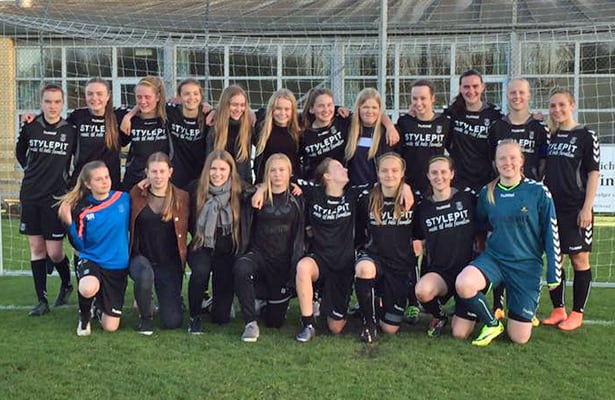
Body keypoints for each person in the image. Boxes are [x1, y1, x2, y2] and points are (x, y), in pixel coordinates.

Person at [455, 140, 561, 346]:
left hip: (525, 266)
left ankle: (520, 311)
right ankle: (492, 323)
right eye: (502, 158)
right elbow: (479, 225)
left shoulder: (538, 192)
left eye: (513, 157)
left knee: (519, 338)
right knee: (464, 283)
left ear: (521, 161)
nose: (507, 162)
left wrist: (553, 274)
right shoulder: (487, 192)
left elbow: (551, 232)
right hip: (494, 260)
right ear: (495, 163)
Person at [488, 78, 549, 319]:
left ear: (529, 95)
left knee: (528, 249)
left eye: (521, 92)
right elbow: (492, 159)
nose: (517, 96)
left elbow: (544, 160)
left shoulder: (539, 127)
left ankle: (525, 305)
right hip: (503, 194)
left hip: (528, 197)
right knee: (501, 246)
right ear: (507, 95)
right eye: (513, 92)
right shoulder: (497, 126)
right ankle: (498, 305)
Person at [16, 84, 77, 316]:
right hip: (31, 195)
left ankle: (67, 283)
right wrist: (31, 171)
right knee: (36, 248)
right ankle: (41, 300)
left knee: (54, 252)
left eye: (57, 102)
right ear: (41, 103)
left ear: (63, 103)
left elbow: (77, 159)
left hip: (56, 197)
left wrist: (69, 188)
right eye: (48, 101)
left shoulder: (70, 130)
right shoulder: (31, 126)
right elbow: (20, 152)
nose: (52, 106)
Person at [292, 158, 369, 342]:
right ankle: (308, 325)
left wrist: (405, 188)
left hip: (343, 264)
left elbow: (383, 184)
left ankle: (329, 302)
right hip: (320, 259)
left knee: (335, 328)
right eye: (339, 167)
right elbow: (285, 176)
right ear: (327, 176)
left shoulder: (353, 194)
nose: (345, 170)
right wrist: (262, 189)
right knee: (303, 267)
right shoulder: (315, 192)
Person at [542, 87, 600, 331]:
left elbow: (593, 173)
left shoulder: (586, 135)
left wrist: (587, 207)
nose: (557, 110)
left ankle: (577, 313)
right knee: (556, 260)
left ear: (572, 105)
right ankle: (558, 309)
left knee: (579, 259)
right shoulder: (550, 136)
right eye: (553, 106)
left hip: (576, 209)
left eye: (562, 105)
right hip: (552, 209)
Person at [234, 153, 304, 342]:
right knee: (241, 267)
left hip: (282, 262)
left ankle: (262, 300)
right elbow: (242, 192)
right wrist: (262, 188)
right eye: (273, 170)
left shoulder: (297, 196)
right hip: (258, 256)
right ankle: (250, 323)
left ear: (289, 173)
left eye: (282, 170)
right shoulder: (256, 195)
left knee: (275, 322)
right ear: (267, 173)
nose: (277, 174)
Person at [58, 161, 130, 336]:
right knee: (88, 287)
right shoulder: (82, 208)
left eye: (106, 177)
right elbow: (79, 245)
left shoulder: (124, 199)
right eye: (98, 179)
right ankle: (84, 319)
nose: (105, 182)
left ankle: (98, 306)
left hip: (117, 266)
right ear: (88, 184)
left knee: (110, 327)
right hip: (93, 259)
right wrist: (68, 223)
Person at [186, 150, 254, 334]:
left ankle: (212, 305)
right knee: (200, 272)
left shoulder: (240, 190)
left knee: (221, 318)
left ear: (231, 171)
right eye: (213, 169)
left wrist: (263, 189)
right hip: (201, 246)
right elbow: (170, 191)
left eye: (223, 169)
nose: (217, 174)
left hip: (227, 251)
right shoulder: (195, 189)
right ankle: (194, 316)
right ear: (207, 170)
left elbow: (261, 189)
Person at [354, 152, 416, 343]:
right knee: (364, 269)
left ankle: (376, 302)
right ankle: (369, 323)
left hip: (399, 267)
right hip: (374, 258)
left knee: (390, 328)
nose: (390, 175)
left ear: (402, 173)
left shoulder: (413, 198)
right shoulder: (366, 198)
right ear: (378, 172)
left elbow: (420, 234)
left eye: (395, 170)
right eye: (385, 170)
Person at [413, 156, 477, 337]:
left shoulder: (467, 198)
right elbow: (418, 238)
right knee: (422, 291)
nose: (439, 176)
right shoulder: (423, 207)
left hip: (466, 274)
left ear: (452, 174)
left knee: (460, 334)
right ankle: (440, 316)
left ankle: (471, 307)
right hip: (440, 273)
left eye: (443, 172)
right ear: (428, 175)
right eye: (434, 172)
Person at [129, 152, 190, 334]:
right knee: (145, 274)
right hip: (141, 257)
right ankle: (145, 317)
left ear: (170, 172)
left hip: (168, 262)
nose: (158, 176)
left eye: (162, 171)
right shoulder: (136, 195)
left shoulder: (182, 197)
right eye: (154, 172)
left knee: (172, 322)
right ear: (147, 173)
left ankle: (170, 299)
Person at [445, 69, 502, 192]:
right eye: (466, 87)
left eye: (475, 86)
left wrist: (532, 118)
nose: (471, 91)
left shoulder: (494, 114)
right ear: (460, 88)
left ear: (483, 87)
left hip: (486, 180)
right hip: (459, 180)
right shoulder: (452, 112)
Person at [397, 79, 451, 199]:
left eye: (423, 98)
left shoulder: (444, 123)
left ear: (432, 98)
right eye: (414, 98)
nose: (418, 103)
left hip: (435, 186)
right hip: (408, 187)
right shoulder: (404, 122)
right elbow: (397, 156)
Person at [121, 76, 170, 191]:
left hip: (160, 181)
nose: (143, 101)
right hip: (134, 181)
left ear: (158, 97)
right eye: (139, 97)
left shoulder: (168, 117)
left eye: (147, 97)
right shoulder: (131, 120)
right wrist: (128, 116)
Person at [344, 88, 395, 186]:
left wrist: (390, 126)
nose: (370, 111)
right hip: (352, 190)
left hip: (377, 190)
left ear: (379, 110)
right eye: (365, 107)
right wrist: (338, 108)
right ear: (359, 108)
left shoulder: (387, 133)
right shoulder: (348, 128)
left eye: (374, 107)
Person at [206, 85, 253, 183]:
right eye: (234, 105)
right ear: (225, 104)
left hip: (242, 183)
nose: (239, 109)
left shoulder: (247, 126)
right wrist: (213, 110)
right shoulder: (213, 125)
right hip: (217, 183)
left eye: (242, 105)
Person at [253, 89, 301, 183]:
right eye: (278, 108)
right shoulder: (262, 128)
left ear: (293, 111)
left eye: (287, 109)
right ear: (271, 109)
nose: (282, 113)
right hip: (265, 182)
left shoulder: (298, 130)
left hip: (290, 182)